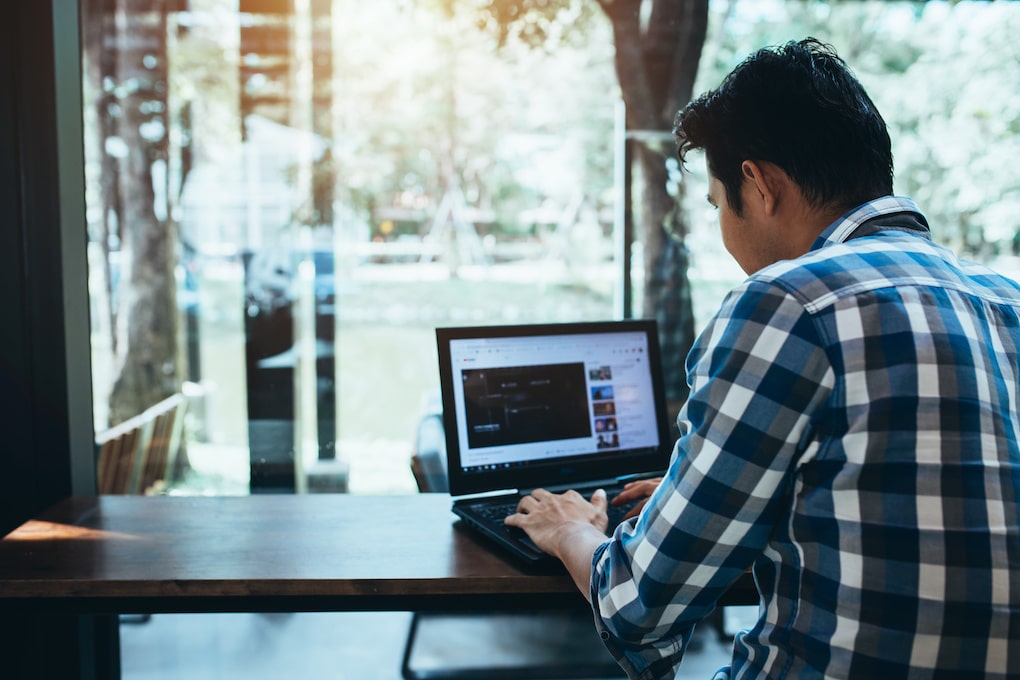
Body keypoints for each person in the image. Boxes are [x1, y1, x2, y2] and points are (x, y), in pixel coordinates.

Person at [505, 37, 1020, 679]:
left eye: (719, 204)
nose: (724, 228)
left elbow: (639, 604)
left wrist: (570, 528)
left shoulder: (786, 302)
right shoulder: (1005, 300)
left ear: (760, 183)